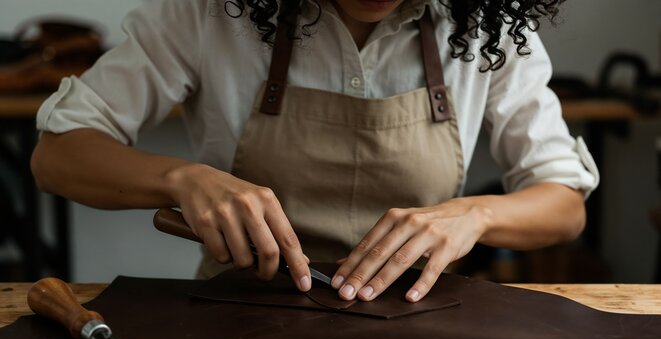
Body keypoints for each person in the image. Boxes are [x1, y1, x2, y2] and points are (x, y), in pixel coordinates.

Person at [30, 0, 599, 303]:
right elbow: (57, 156)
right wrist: (180, 177)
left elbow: (565, 204)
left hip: (421, 320)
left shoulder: (480, 29)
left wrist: (478, 213)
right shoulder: (207, 12)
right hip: (236, 319)